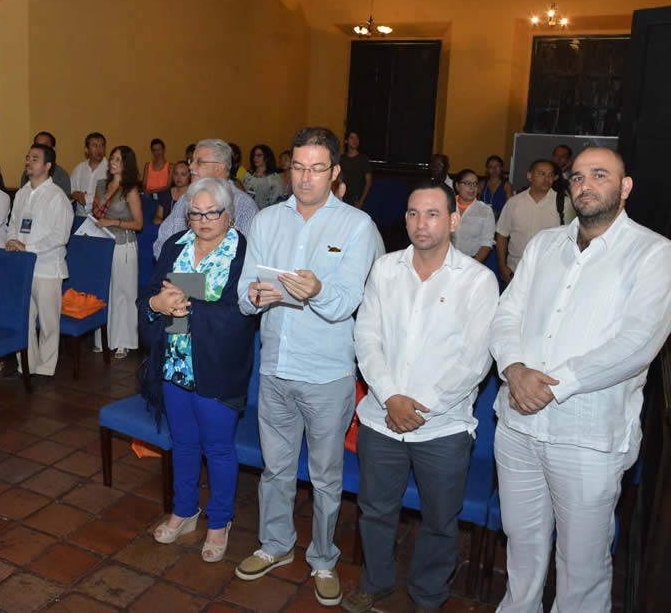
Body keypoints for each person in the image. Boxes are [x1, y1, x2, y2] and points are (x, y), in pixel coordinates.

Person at [489, 147, 671, 612]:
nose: (585, 185)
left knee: (583, 568)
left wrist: (549, 385)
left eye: (600, 175)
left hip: (587, 436)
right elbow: (506, 313)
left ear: (625, 187)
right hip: (518, 427)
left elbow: (636, 343)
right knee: (522, 549)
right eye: (577, 178)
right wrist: (514, 370)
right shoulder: (546, 245)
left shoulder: (654, 253)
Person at [236, 127, 377, 607]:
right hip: (274, 366)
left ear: (335, 173)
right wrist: (254, 297)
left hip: (327, 373)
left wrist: (316, 291)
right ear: (287, 169)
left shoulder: (357, 226)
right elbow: (244, 292)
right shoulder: (267, 221)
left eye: (317, 168)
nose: (306, 177)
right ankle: (275, 545)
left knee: (324, 476)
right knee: (274, 469)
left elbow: (350, 302)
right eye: (297, 167)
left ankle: (323, 558)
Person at [344, 182, 498, 613]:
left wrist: (418, 406)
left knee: (439, 521)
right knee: (375, 511)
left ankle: (428, 596)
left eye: (432, 214)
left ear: (453, 220)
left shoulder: (478, 281)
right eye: (413, 213)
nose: (420, 223)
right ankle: (375, 583)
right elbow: (366, 337)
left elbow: (475, 359)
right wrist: (392, 397)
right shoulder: (385, 269)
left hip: (443, 425)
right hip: (381, 417)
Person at [140, 177, 257, 563]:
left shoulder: (244, 252)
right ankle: (185, 509)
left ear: (230, 214)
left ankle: (220, 520)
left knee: (219, 448)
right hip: (174, 362)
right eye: (196, 213)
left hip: (217, 366)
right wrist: (158, 303)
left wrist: (184, 304)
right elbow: (152, 292)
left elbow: (237, 314)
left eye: (213, 213)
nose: (204, 220)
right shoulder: (176, 246)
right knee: (184, 443)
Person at [6, 143, 74, 381]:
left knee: (48, 322)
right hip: (23, 266)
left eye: (35, 158)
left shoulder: (57, 197)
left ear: (47, 166)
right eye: (27, 157)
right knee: (23, 319)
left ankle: (45, 369)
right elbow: (13, 222)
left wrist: (29, 248)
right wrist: (11, 242)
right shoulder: (23, 193)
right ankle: (26, 365)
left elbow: (60, 236)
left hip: (47, 268)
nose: (28, 162)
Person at [153, 139, 258, 258]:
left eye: (199, 162)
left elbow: (245, 256)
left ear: (219, 167)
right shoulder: (184, 199)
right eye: (191, 161)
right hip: (179, 274)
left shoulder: (244, 205)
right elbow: (160, 245)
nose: (191, 166)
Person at [92, 146, 143, 359]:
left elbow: (138, 224)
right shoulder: (101, 185)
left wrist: (112, 221)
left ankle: (124, 341)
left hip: (124, 244)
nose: (113, 163)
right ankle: (104, 338)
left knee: (124, 292)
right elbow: (95, 211)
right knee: (105, 291)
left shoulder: (130, 190)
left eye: (118, 160)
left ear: (126, 165)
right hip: (103, 243)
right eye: (112, 158)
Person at [495, 159, 572, 285]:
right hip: (516, 271)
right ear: (529, 176)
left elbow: (573, 237)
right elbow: (502, 235)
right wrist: (502, 267)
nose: (546, 179)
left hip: (549, 273)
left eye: (550, 175)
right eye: (541, 174)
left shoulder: (564, 204)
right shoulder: (514, 203)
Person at [452, 169, 495, 263]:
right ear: (457, 186)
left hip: (472, 261)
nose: (472, 188)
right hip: (446, 260)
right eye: (468, 183)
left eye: (475, 184)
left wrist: (473, 266)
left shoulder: (485, 211)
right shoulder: (447, 206)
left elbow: (486, 243)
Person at [21, 131, 72, 197]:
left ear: (53, 149)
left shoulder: (61, 176)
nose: (39, 149)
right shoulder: (27, 173)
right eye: (37, 145)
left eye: (44, 146)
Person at [70, 132, 108, 217]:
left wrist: (85, 198)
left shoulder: (110, 169)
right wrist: (77, 195)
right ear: (86, 150)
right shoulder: (79, 168)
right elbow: (71, 190)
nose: (99, 149)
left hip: (102, 219)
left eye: (102, 145)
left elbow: (107, 195)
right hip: (80, 216)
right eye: (95, 145)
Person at [242, 145, 284, 210]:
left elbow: (278, 201)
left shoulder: (273, 178)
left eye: (259, 155)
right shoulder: (248, 176)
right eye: (254, 155)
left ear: (267, 157)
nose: (255, 158)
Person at [338, 131, 372, 209]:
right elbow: (339, 179)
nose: (355, 140)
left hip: (357, 200)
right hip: (343, 199)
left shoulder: (363, 159)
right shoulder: (341, 159)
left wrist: (361, 201)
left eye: (357, 138)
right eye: (352, 138)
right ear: (346, 141)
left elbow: (369, 182)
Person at [154, 160, 190, 225]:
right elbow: (158, 217)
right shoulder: (165, 194)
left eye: (183, 174)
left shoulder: (194, 195)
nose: (179, 178)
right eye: (176, 174)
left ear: (189, 176)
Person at [479, 154, 512, 220]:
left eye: (497, 166)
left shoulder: (507, 185)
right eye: (491, 167)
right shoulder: (482, 184)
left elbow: (510, 206)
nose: (494, 169)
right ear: (487, 169)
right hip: (483, 218)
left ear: (501, 168)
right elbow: (476, 201)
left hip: (500, 218)